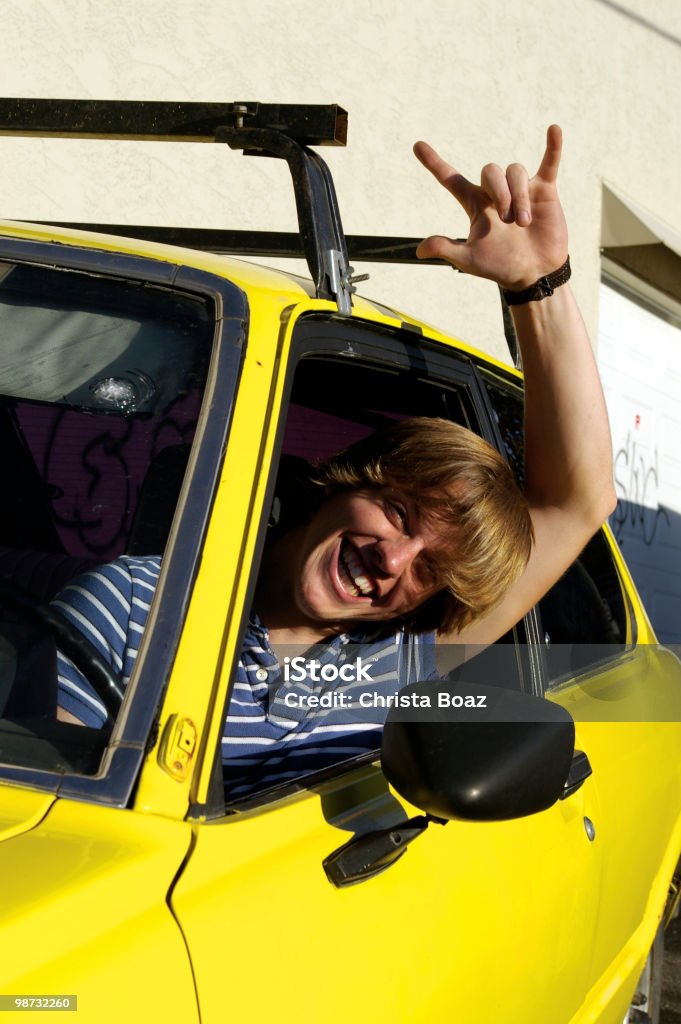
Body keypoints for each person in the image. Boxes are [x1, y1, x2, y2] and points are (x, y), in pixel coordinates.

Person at [54, 125, 616, 795]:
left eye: (431, 568)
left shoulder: (403, 657)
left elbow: (578, 503)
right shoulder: (130, 607)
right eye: (401, 514)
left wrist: (537, 286)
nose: (395, 562)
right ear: (343, 480)